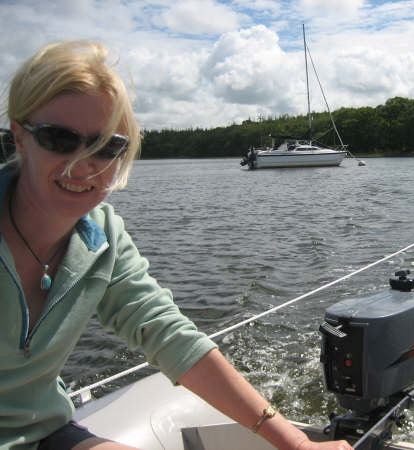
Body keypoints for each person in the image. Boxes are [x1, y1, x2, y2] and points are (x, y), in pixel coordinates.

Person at [0, 41, 352, 450]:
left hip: (43, 431)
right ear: (21, 136)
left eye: (107, 146)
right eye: (60, 139)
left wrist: (297, 445)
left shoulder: (102, 237)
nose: (84, 163)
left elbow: (170, 336)